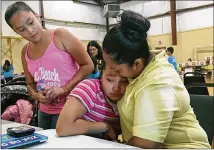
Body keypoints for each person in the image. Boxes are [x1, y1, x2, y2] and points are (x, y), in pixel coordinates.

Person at [102, 10, 210, 148]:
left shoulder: (158, 82)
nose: (115, 73)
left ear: (137, 64)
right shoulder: (139, 68)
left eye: (117, 70)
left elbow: (145, 144)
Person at [5, 1, 93, 129]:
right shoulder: (25, 52)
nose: (30, 31)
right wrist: (36, 95)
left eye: (30, 22)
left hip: (70, 107)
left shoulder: (60, 36)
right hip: (44, 111)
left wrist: (64, 89)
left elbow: (88, 65)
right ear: (16, 32)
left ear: (37, 16)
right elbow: (30, 84)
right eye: (22, 29)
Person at [56, 62, 129, 141]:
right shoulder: (90, 88)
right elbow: (63, 128)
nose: (116, 88)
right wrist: (105, 127)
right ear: (101, 76)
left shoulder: (130, 98)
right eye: (110, 80)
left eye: (124, 81)